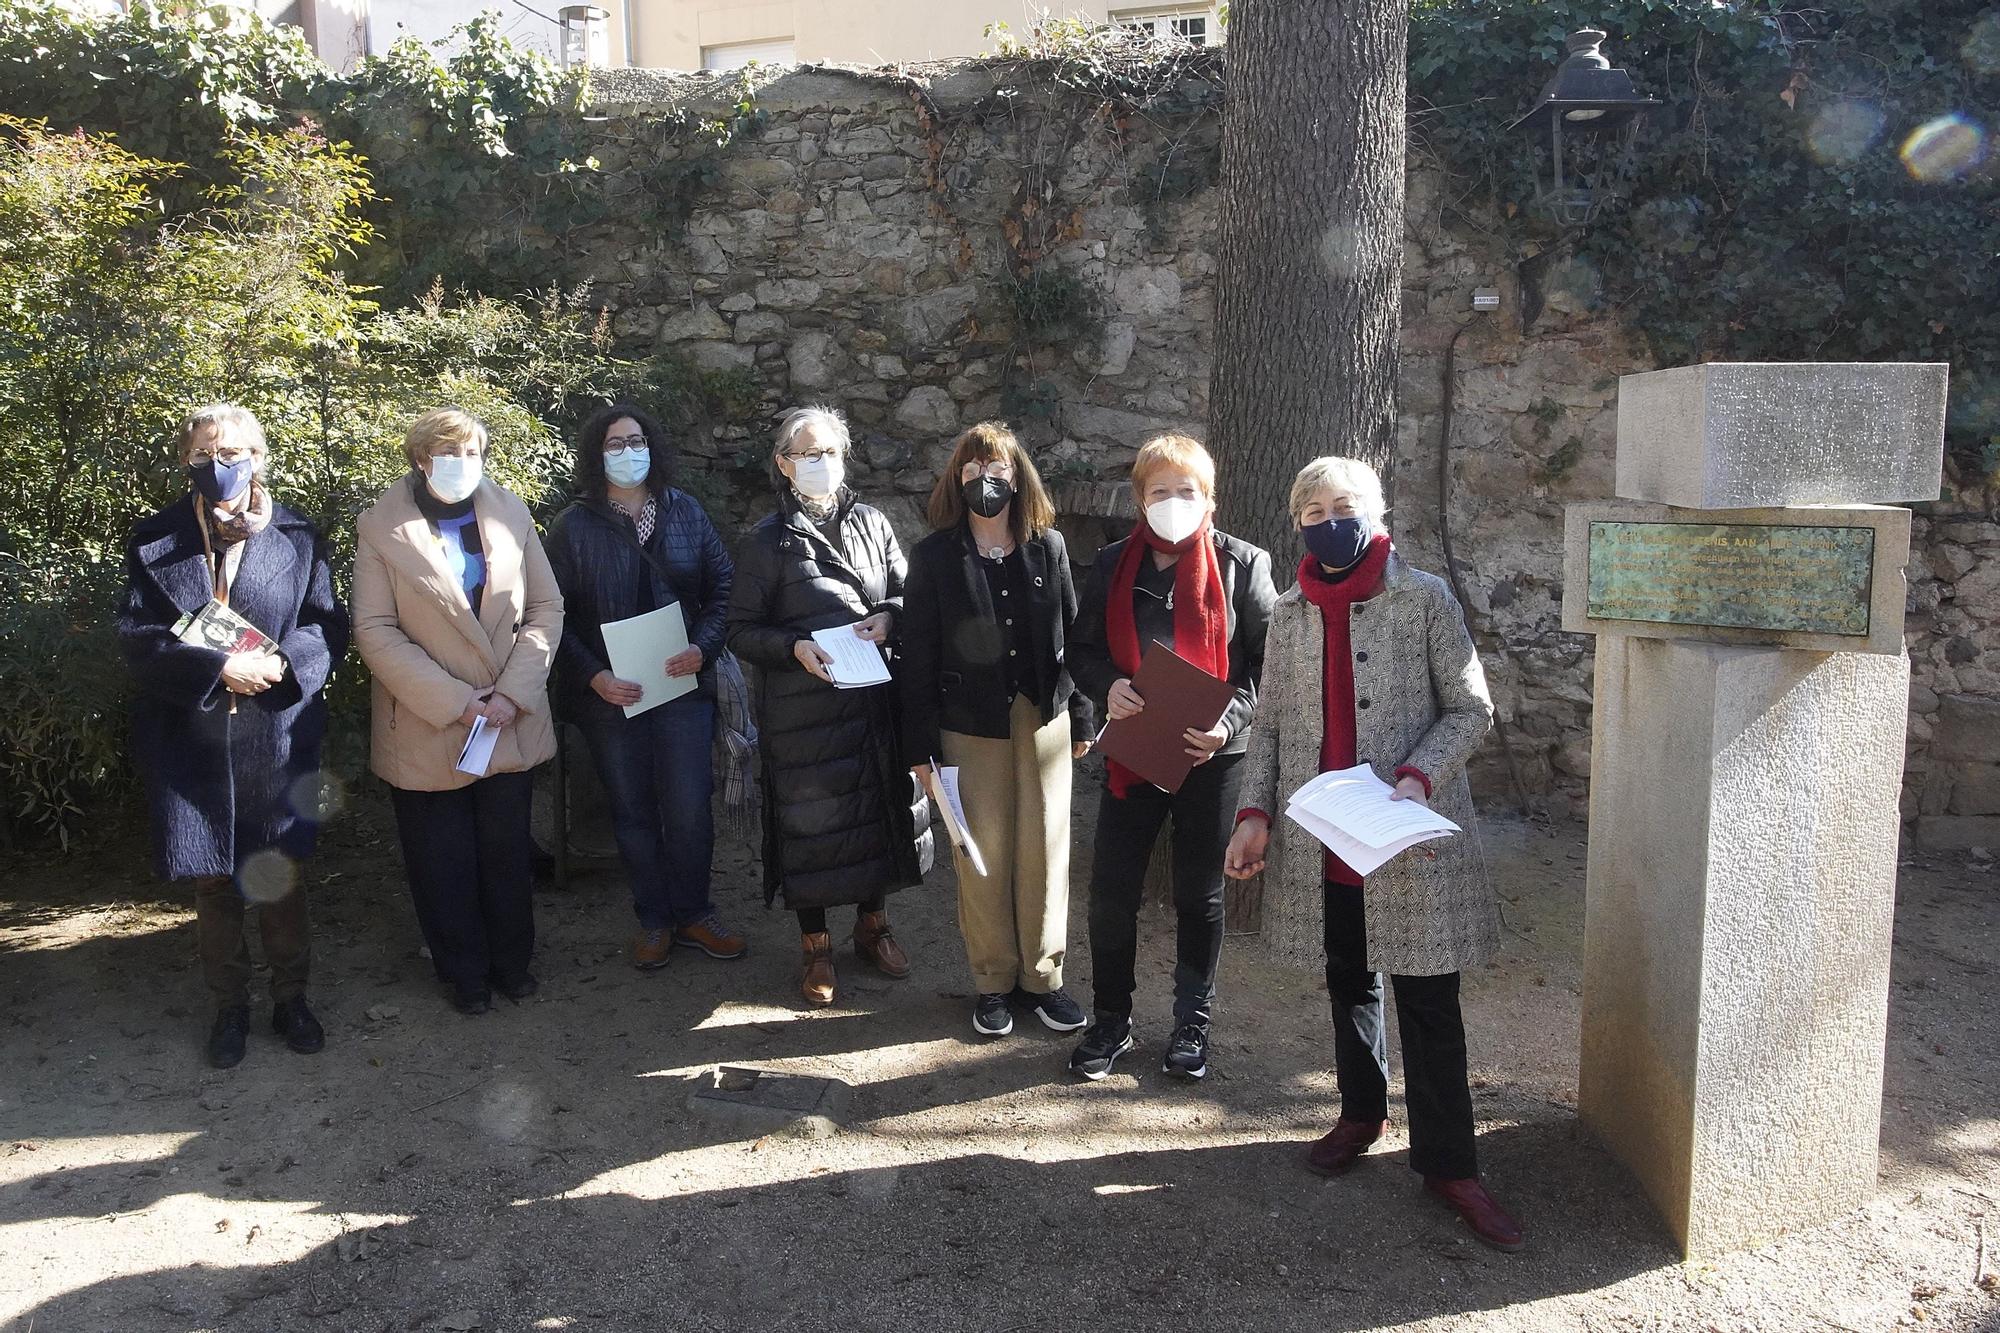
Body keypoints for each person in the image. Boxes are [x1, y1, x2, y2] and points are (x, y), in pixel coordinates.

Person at [1222, 456, 1522, 1252]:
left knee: (1428, 1002)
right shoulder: (1287, 612)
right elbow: (1276, 728)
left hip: (1406, 834)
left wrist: (1419, 777)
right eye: (1312, 509)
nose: (1329, 520)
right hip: (1326, 838)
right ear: (1297, 525)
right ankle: (1361, 1111)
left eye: (1344, 505)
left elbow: (1470, 706)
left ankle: (1452, 1164)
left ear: (1377, 512)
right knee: (1348, 978)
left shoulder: (1422, 597)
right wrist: (1253, 813)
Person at [117, 403, 350, 1069]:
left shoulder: (298, 534)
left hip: (272, 730)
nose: (220, 466)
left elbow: (326, 623)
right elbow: (135, 636)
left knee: (276, 873)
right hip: (190, 732)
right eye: (205, 454)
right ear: (187, 460)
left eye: (233, 451)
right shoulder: (155, 536)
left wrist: (277, 666)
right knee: (214, 878)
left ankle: (291, 998)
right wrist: (218, 665)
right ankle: (229, 1007)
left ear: (258, 455)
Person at [1067, 433, 1276, 1081]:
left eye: (1187, 490)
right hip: (1135, 753)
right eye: (1160, 491)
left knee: (1199, 894)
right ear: (1139, 499)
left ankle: (1192, 1023)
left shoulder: (1245, 564)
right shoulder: (1109, 564)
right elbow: (1082, 650)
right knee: (1110, 892)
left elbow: (1270, 667)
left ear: (1209, 498)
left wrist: (1227, 720)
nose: (1174, 501)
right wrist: (1109, 687)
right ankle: (1110, 1018)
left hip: (1213, 755)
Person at [352, 408, 564, 1015]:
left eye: (474, 453)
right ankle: (462, 972)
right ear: (421, 460)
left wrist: (509, 695)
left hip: (507, 711)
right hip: (428, 718)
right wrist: (455, 701)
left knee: (504, 849)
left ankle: (512, 963)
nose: (464, 465)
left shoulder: (512, 513)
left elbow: (546, 609)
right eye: (450, 454)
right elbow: (374, 628)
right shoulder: (380, 528)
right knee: (440, 857)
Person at [726, 404, 933, 1007]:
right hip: (803, 711)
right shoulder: (766, 542)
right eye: (809, 454)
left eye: (832, 452)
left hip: (872, 699)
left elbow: (903, 591)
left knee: (875, 814)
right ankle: (815, 946)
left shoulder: (873, 522)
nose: (822, 464)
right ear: (784, 464)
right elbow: (739, 629)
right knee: (810, 829)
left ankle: (873, 926)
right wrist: (793, 647)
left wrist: (890, 618)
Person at [899, 422, 1093, 1038]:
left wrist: (1084, 715)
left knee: (1044, 849)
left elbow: (1076, 635)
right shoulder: (934, 555)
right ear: (958, 477)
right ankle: (992, 980)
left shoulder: (1049, 546)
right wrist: (920, 747)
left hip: (1044, 720)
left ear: (1018, 477)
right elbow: (916, 654)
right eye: (974, 467)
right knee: (980, 853)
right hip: (967, 724)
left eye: (1000, 468)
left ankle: (1044, 978)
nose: (988, 478)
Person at [546, 404, 745, 970]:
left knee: (688, 807)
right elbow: (550, 613)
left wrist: (703, 648)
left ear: (653, 447)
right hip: (612, 696)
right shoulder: (573, 525)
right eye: (614, 443)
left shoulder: (685, 512)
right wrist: (593, 676)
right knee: (631, 811)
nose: (628, 452)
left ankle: (695, 914)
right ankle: (654, 920)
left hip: (681, 686)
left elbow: (724, 585)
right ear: (595, 454)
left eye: (636, 441)